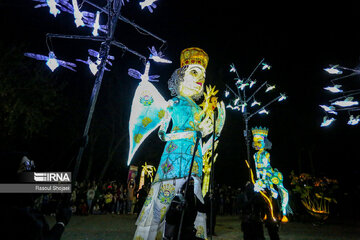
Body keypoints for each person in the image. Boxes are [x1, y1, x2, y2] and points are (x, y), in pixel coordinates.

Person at [131, 47, 226, 240]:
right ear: (180, 76)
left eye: (203, 75)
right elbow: (162, 134)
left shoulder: (199, 110)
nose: (200, 80)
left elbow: (203, 138)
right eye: (194, 72)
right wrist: (191, 133)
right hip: (172, 164)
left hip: (195, 164)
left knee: (193, 206)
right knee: (164, 204)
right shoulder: (172, 104)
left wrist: (214, 129)